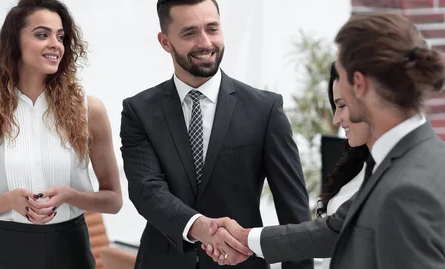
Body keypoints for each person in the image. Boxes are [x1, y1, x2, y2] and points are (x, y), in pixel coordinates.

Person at [203, 12, 445, 269]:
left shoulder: (406, 190)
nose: (336, 113)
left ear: (359, 83)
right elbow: (336, 229)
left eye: (338, 74)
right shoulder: (420, 155)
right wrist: (246, 238)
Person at [119, 0, 313, 268]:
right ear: (165, 42)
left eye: (212, 29)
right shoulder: (139, 111)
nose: (205, 43)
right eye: (189, 33)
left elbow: (294, 214)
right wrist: (200, 227)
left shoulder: (265, 110)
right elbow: (146, 191)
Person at [0, 0, 123, 268]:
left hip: (72, 251)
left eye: (61, 36)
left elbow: (113, 201)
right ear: (14, 42)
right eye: (42, 34)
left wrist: (70, 195)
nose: (55, 44)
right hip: (6, 254)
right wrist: (7, 202)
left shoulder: (90, 111)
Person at [314, 62, 372, 269]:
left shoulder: (393, 172)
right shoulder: (357, 163)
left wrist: (249, 239)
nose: (336, 119)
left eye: (341, 105)